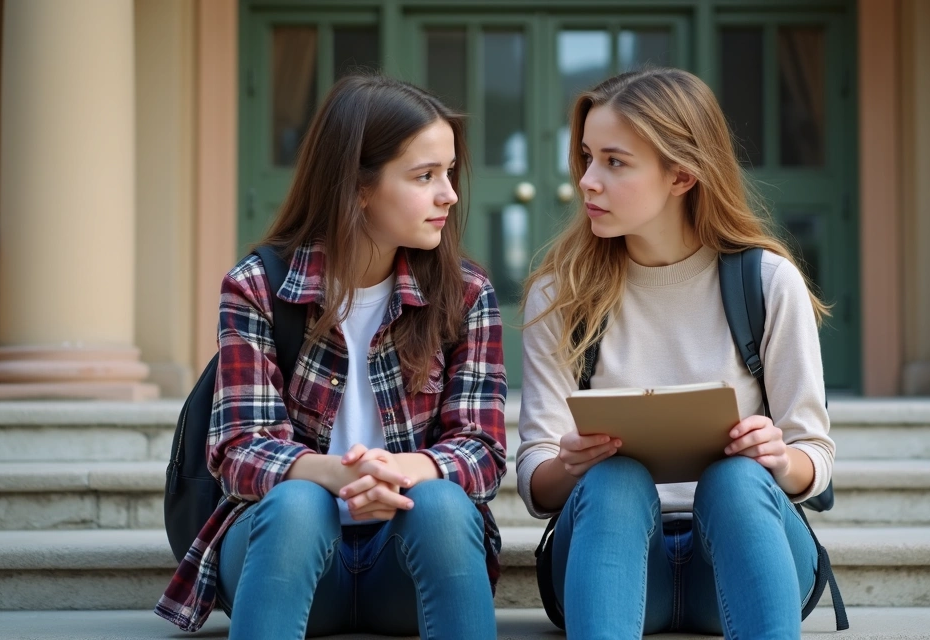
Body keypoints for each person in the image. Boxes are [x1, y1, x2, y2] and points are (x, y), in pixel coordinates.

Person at [156, 74, 507, 639]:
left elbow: (484, 449)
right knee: (298, 505)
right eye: (425, 176)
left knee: (441, 503)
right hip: (285, 558)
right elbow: (239, 450)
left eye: (448, 173)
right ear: (358, 187)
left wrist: (399, 472)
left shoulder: (465, 293)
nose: (450, 195)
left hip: (407, 563)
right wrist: (343, 476)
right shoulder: (257, 286)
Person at [516, 67, 835, 639]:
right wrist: (570, 464)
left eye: (614, 162)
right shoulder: (560, 294)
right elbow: (536, 484)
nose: (587, 180)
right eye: (587, 157)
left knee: (736, 480)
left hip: (739, 555)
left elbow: (814, 456)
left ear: (682, 174)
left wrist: (777, 458)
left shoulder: (766, 282)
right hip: (614, 563)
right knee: (613, 481)